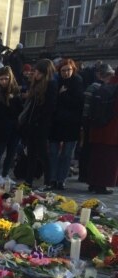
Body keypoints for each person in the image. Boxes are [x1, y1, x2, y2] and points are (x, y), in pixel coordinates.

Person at [20, 59, 58, 188]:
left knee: (43, 154)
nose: (34, 74)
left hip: (41, 125)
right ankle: (28, 180)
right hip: (31, 124)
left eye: (36, 71)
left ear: (43, 72)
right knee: (31, 154)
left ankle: (48, 181)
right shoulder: (36, 84)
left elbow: (49, 108)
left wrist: (39, 121)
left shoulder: (51, 85)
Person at [48, 59, 84, 190]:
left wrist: (63, 95)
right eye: (63, 70)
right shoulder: (55, 82)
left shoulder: (77, 82)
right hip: (56, 123)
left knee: (67, 154)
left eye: (68, 70)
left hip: (71, 124)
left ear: (73, 70)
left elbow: (78, 102)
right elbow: (52, 102)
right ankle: (52, 178)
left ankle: (61, 179)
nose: (66, 73)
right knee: (53, 153)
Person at [0, 66, 23, 185]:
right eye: (1, 79)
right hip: (0, 125)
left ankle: (5, 174)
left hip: (14, 126)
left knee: (11, 152)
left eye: (6, 79)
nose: (3, 81)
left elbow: (19, 108)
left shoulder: (15, 90)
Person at [87, 64, 118, 194]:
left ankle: (93, 183)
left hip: (98, 128)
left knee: (97, 157)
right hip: (112, 130)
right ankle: (102, 185)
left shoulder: (107, 84)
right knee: (108, 160)